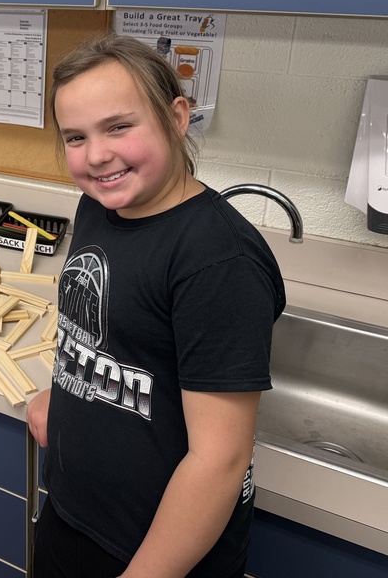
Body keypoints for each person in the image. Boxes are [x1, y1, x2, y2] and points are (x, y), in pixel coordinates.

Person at [26, 33, 285, 578]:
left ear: (177, 117)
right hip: (73, 514)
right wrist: (70, 393)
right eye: (75, 137)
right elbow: (107, 331)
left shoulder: (217, 259)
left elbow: (220, 461)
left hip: (155, 554)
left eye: (119, 126)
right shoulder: (100, 205)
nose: (97, 155)